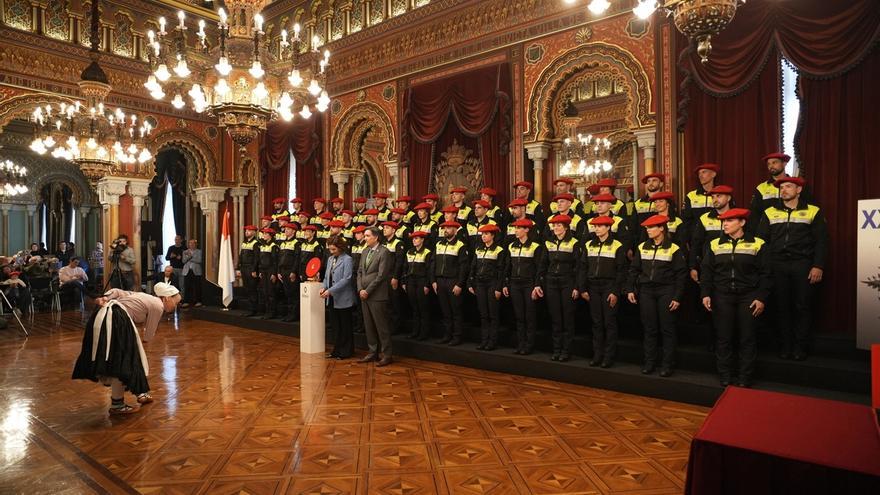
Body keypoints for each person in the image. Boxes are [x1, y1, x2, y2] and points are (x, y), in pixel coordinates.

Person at [72, 282, 181, 414]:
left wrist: (105, 297)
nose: (176, 306)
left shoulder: (143, 296)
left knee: (123, 360)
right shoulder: (158, 305)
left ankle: (140, 393)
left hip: (103, 316)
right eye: (176, 303)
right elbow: (148, 336)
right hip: (117, 320)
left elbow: (117, 290)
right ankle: (119, 403)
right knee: (125, 361)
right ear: (166, 298)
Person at [757, 176, 827, 361]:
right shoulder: (770, 212)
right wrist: (765, 267)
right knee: (781, 307)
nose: (784, 190)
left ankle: (800, 347)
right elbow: (762, 242)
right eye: (782, 187)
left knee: (802, 306)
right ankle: (785, 346)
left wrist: (818, 265)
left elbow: (821, 242)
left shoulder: (813, 211)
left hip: (802, 264)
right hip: (777, 265)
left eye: (789, 186)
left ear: (799, 190)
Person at [700, 208, 771, 387]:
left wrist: (761, 297)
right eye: (723, 221)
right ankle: (725, 375)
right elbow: (707, 271)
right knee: (723, 337)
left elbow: (766, 274)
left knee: (747, 337)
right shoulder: (714, 243)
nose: (724, 224)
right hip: (722, 295)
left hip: (748, 296)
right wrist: (706, 294)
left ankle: (745, 377)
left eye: (729, 221)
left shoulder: (758, 243)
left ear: (742, 223)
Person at [627, 214, 687, 377]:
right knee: (649, 328)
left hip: (666, 291)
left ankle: (667, 365)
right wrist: (630, 289)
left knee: (667, 329)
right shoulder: (642, 247)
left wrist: (677, 297)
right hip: (646, 291)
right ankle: (650, 363)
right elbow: (634, 270)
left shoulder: (674, 248)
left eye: (651, 227)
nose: (648, 230)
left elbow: (681, 275)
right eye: (646, 228)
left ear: (662, 228)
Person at [580, 216, 627, 368]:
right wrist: (583, 288)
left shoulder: (617, 245)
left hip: (609, 287)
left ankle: (609, 356)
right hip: (593, 287)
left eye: (600, 226)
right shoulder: (588, 244)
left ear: (608, 228)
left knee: (609, 322)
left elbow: (621, 271)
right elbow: (583, 267)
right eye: (595, 226)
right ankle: (597, 355)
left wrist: (615, 291)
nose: (596, 229)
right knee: (596, 323)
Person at [537, 214, 582, 361]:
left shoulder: (574, 243)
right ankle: (556, 349)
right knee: (555, 317)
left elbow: (579, 267)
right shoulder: (549, 242)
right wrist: (538, 283)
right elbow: (542, 264)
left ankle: (566, 350)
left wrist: (577, 286)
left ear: (566, 227)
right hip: (551, 282)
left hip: (567, 282)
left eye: (558, 225)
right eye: (553, 225)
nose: (555, 228)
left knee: (567, 317)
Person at [503, 218, 544, 354]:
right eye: (515, 228)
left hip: (529, 284)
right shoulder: (511, 246)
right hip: (515, 283)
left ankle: (529, 345)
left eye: (519, 228)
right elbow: (507, 267)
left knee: (529, 316)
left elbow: (539, 269)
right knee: (519, 316)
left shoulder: (535, 247)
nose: (516, 231)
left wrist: (536, 285)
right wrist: (505, 283)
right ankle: (521, 344)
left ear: (526, 230)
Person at [357, 226, 393, 366]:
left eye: (367, 236)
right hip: (364, 294)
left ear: (376, 237)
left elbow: (381, 275)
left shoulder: (384, 252)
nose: (364, 238)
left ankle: (387, 354)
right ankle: (373, 352)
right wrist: (360, 289)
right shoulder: (365, 251)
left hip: (377, 295)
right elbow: (360, 271)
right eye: (364, 236)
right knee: (369, 325)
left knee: (381, 326)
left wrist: (368, 290)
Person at [468, 224, 507, 351]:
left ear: (493, 236)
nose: (483, 237)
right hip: (480, 284)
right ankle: (484, 340)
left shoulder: (499, 250)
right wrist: (470, 282)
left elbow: (501, 271)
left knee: (493, 314)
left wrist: (498, 287)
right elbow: (473, 267)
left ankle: (492, 341)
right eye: (482, 234)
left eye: (486, 234)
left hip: (492, 284)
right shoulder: (478, 249)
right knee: (483, 314)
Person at [433, 221, 470, 346]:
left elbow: (464, 267)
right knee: (445, 311)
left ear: (455, 230)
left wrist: (459, 284)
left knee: (456, 311)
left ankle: (457, 336)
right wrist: (433, 281)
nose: (445, 230)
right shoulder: (439, 244)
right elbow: (433, 263)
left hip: (453, 281)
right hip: (440, 281)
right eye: (444, 228)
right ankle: (447, 334)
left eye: (448, 228)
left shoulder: (460, 245)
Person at [321, 235, 356, 360]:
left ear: (340, 248)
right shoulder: (330, 259)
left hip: (343, 298)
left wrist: (330, 291)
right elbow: (326, 276)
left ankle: (346, 351)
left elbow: (346, 279)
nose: (331, 252)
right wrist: (324, 287)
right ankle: (336, 350)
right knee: (335, 326)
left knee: (345, 325)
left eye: (334, 249)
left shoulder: (347, 259)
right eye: (330, 249)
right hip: (332, 298)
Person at [403, 230, 434, 340]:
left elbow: (429, 270)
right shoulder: (409, 251)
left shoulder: (427, 252)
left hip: (421, 281)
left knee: (423, 308)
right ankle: (415, 331)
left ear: (422, 240)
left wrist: (427, 285)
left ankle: (424, 333)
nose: (414, 240)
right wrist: (403, 282)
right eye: (413, 239)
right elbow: (405, 268)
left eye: (416, 238)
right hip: (411, 281)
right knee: (414, 308)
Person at [681, 163, 720, 240]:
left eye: (704, 172)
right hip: (697, 239)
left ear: (713, 174)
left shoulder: (722, 194)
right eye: (699, 173)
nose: (700, 176)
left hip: (717, 238)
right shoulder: (691, 196)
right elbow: (686, 221)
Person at [277, 223, 301, 322]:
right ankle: (289, 313)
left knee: (293, 294)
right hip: (283, 271)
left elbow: (297, 259)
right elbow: (279, 258)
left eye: (288, 229)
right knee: (287, 294)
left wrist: (293, 271)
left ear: (294, 231)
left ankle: (294, 315)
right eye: (285, 229)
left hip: (290, 271)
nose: (285, 230)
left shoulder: (296, 243)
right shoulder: (282, 243)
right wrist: (278, 271)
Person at [237, 225, 261, 317]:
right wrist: (238, 268)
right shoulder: (244, 243)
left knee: (252, 289)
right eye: (246, 230)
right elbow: (240, 256)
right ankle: (250, 309)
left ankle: (254, 310)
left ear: (254, 232)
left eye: (249, 231)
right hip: (244, 268)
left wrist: (254, 270)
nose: (246, 232)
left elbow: (256, 258)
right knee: (247, 289)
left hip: (251, 269)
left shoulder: (256, 243)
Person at [256, 228, 280, 319]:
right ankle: (267, 311)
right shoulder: (262, 246)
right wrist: (261, 271)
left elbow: (275, 261)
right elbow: (260, 260)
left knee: (271, 292)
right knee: (265, 292)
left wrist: (274, 273)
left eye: (265, 234)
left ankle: (272, 312)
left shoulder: (274, 246)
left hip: (270, 271)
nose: (263, 235)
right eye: (263, 234)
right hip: (264, 271)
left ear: (270, 235)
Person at [180, 239, 203, 308]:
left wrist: (190, 257)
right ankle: (186, 301)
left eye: (193, 243)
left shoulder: (199, 251)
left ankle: (198, 301)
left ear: (196, 244)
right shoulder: (185, 252)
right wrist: (190, 257)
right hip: (187, 271)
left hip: (196, 271)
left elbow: (199, 260)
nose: (191, 245)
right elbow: (183, 261)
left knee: (197, 286)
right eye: (190, 243)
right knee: (187, 286)